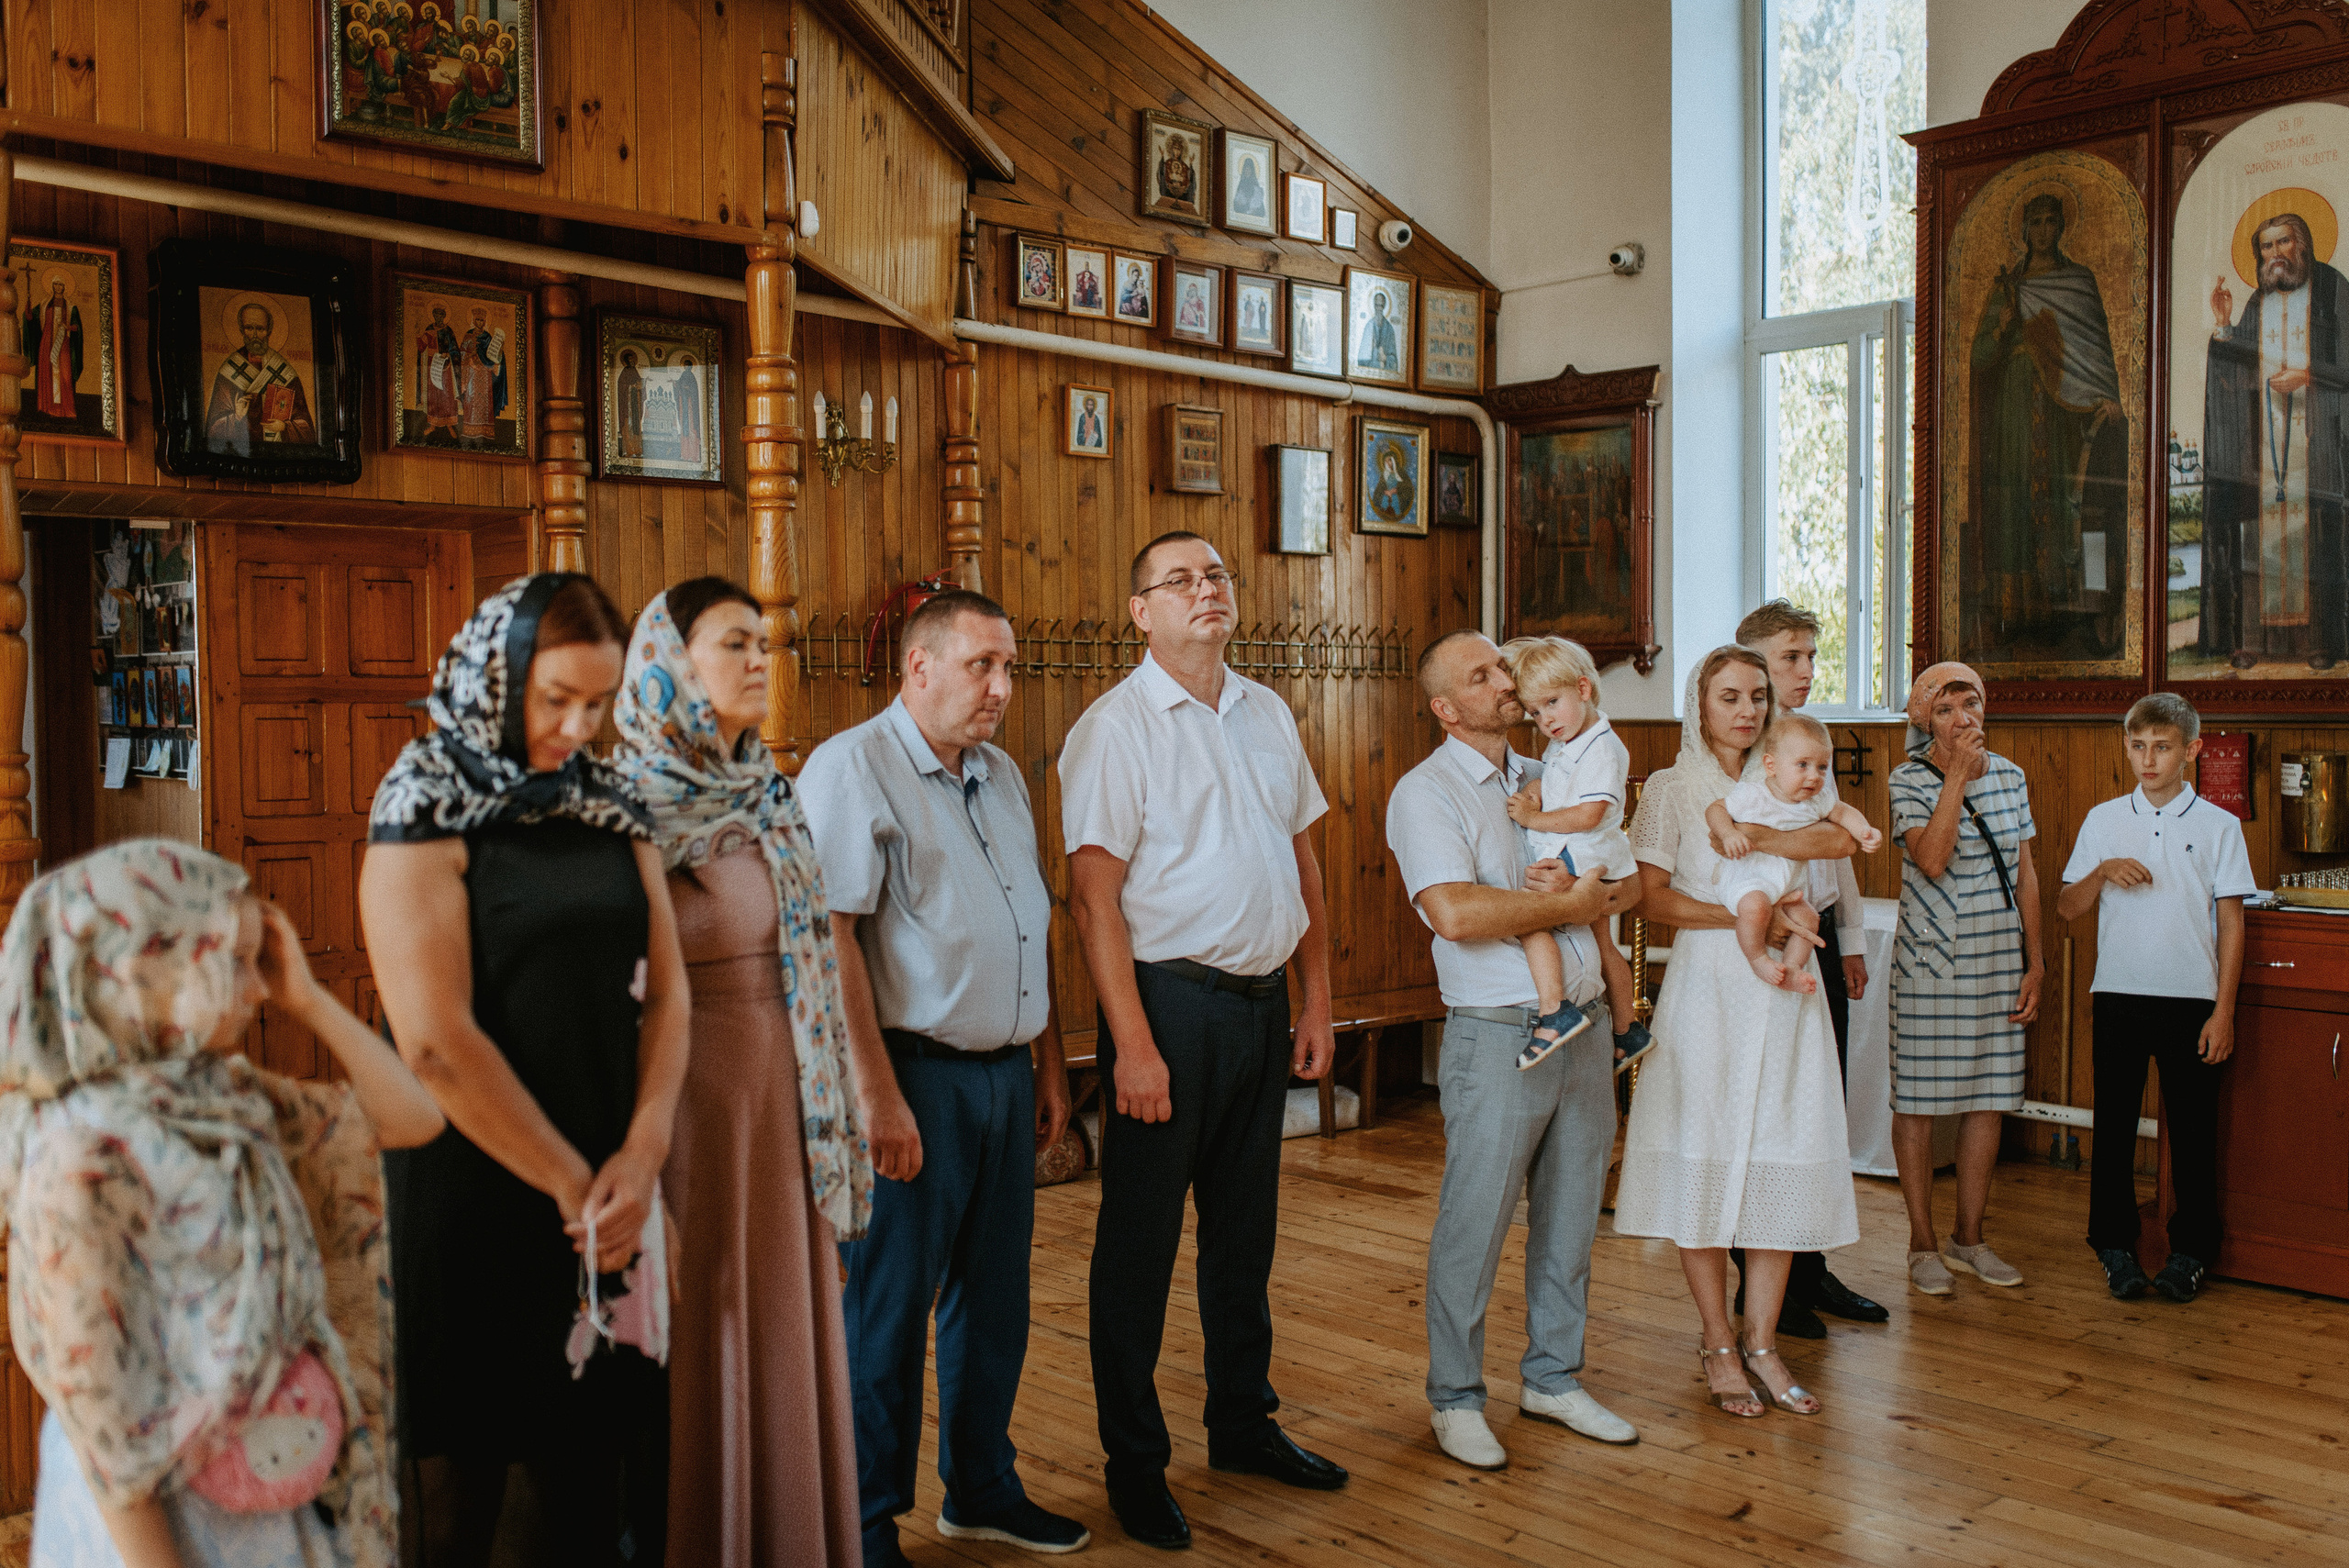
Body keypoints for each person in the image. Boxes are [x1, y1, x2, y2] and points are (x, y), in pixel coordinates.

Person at [362, 573, 690, 1568]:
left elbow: (669, 993)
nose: (578, 727)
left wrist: (644, 1151)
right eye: (555, 699)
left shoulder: (609, 799)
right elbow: (434, 1040)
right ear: (497, 678)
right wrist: (574, 1184)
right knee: (459, 1504)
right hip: (473, 1188)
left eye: (598, 703)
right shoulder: (422, 803)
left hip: (608, 1187)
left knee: (587, 1490)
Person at [5, 840, 445, 1568]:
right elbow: (107, 1436)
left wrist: (309, 997)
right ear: (141, 972)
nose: (258, 987)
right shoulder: (80, 1157)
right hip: (157, 1530)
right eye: (234, 961)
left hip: (264, 1500)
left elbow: (413, 1117)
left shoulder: (221, 1099)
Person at [1061, 530, 1344, 1550]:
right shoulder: (1114, 728)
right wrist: (1132, 1047)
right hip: (1167, 1009)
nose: (1205, 589)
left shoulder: (1266, 710)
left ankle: (1242, 1423)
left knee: (1244, 1234)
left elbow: (1302, 863)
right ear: (1141, 612)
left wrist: (1316, 999)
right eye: (1178, 580)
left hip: (1262, 1004)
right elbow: (1093, 901)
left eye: (1215, 574)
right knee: (1139, 1247)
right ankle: (1136, 1465)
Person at [798, 588, 1087, 1566]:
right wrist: (873, 1094)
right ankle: (862, 1524)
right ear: (917, 666)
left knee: (995, 1300)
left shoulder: (1001, 773)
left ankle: (983, 1488)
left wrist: (1049, 1059)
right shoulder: (852, 767)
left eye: (1009, 667)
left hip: (1006, 1074)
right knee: (886, 1313)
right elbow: (830, 937)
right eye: (981, 666)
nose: (1001, 687)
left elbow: (1028, 920)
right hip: (911, 1079)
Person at [612, 579, 874, 1568]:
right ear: (668, 665)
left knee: (786, 1331)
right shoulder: (625, 803)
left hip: (787, 1099)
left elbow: (817, 955)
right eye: (735, 643)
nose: (762, 660)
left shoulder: (767, 785)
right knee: (707, 1337)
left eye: (764, 642)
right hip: (689, 1107)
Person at [1387, 631, 1643, 1473]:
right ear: (1445, 707)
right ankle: (1456, 1396)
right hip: (1499, 1031)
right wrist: (1572, 903)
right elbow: (1456, 914)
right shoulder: (1425, 793)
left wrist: (1596, 899)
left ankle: (1553, 1377)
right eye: (1483, 675)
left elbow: (1627, 882)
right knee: (1477, 1219)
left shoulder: (1554, 770)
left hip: (1584, 1021)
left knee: (1572, 1215)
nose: (1506, 680)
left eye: (1503, 666)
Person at [1614, 646, 1861, 1420]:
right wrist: (1746, 916)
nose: (1748, 710)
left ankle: (1763, 1342)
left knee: (1780, 1152)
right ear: (1700, 704)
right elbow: (1649, 897)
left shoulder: (1790, 768)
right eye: (1729, 696)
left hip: (1786, 991)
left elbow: (1839, 842)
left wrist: (1760, 842)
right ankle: (1718, 1341)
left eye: (1758, 695)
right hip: (1711, 985)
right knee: (1706, 1155)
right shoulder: (1672, 787)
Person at [2056, 692, 2252, 1304]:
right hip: (2118, 995)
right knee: (2113, 1127)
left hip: (2192, 1000)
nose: (2148, 759)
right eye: (2137, 746)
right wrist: (2101, 871)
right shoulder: (2103, 820)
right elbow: (2067, 907)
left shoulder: (2219, 826)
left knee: (2193, 1133)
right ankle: (2113, 1246)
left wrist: (2224, 1011)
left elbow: (2232, 925)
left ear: (2192, 750)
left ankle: (2191, 1252)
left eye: (2162, 747)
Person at [1732, 599, 1887, 1336]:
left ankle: (1811, 1268)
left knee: (1819, 1107)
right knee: (1767, 1113)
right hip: (1764, 942)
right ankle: (1762, 1287)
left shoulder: (1808, 745)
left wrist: (1851, 939)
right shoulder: (1746, 751)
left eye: (1812, 656)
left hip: (1819, 938)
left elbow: (1840, 851)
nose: (1806, 670)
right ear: (1753, 664)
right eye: (1791, 656)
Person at [1889, 662, 2045, 1296]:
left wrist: (2036, 961)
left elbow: (2026, 874)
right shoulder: (1908, 778)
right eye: (1947, 708)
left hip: (1998, 959)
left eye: (1972, 704)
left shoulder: (2011, 776)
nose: (1963, 718)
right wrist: (1955, 775)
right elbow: (1931, 859)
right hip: (1930, 962)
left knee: (1989, 1097)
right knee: (1918, 1104)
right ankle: (1921, 1242)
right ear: (1926, 719)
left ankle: (1969, 1237)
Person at [1970, 191, 2127, 661]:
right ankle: (2020, 613)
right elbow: (1979, 357)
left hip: (2065, 411)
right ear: (2024, 231)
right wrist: (2002, 326)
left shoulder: (2079, 281)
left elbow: (2094, 348)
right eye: (2035, 222)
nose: (2043, 230)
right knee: (2017, 500)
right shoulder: (2009, 286)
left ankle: (2071, 610)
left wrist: (2107, 395)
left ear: (2062, 227)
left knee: (2068, 503)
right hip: (2015, 410)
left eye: (2050, 221)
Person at [2201, 210, 2349, 670]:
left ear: (2303, 245)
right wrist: (2225, 325)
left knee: (2318, 541)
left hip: (2318, 443)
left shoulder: (2332, 291)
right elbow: (2235, 374)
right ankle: (2256, 643)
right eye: (2266, 247)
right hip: (2262, 450)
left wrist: (2310, 375)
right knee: (2258, 540)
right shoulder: (2256, 302)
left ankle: (2318, 644)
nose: (2275, 254)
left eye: (2283, 242)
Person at [1494, 635, 1647, 1072]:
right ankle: (1628, 1030)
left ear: (1582, 689)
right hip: (1587, 851)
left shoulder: (1601, 747)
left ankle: (1554, 1011)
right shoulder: (1569, 740)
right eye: (1535, 712)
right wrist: (1539, 787)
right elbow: (1562, 783)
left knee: (1529, 918)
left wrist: (1533, 818)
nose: (1545, 719)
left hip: (1584, 852)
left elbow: (1589, 812)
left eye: (1551, 703)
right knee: (1603, 942)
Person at [1708, 713, 1883, 994]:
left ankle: (1792, 968)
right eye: (1803, 765)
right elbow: (1716, 809)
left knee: (1809, 918)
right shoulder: (1754, 795)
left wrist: (1864, 830)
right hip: (1748, 880)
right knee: (1756, 908)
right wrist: (1728, 833)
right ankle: (1757, 959)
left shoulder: (1816, 800)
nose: (1814, 776)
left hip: (1788, 887)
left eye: (1822, 767)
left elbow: (1842, 812)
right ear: (1771, 765)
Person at [203, 302, 317, 455]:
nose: (255, 335)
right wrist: (236, 417)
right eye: (249, 328)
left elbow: (307, 429)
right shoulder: (229, 370)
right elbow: (212, 430)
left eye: (260, 329)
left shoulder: (285, 372)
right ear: (241, 330)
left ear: (269, 330)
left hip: (277, 455)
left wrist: (284, 427)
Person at [25, 271, 81, 422]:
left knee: (65, 374)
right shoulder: (45, 304)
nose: (58, 287)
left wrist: (68, 327)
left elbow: (77, 327)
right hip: (47, 343)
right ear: (52, 286)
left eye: (60, 284)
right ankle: (47, 407)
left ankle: (66, 409)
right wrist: (28, 306)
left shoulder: (70, 306)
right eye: (55, 284)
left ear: (64, 287)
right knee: (47, 372)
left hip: (63, 343)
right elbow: (30, 318)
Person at [414, 302, 461, 441]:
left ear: (444, 316)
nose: (438, 317)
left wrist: (448, 354)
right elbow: (421, 347)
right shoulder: (429, 329)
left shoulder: (448, 331)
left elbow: (454, 348)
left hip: (445, 366)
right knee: (433, 396)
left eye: (441, 315)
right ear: (433, 316)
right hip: (432, 366)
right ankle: (433, 425)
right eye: (436, 315)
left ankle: (449, 424)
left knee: (447, 395)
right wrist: (417, 333)